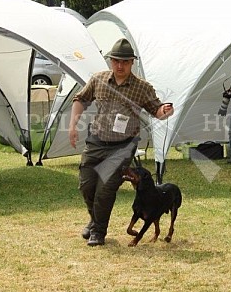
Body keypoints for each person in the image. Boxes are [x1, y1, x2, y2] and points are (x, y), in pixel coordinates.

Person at [69, 38, 174, 246]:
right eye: (116, 61)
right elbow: (80, 99)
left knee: (105, 188)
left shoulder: (142, 88)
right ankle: (95, 219)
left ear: (132, 63)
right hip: (96, 141)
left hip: (123, 146)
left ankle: (98, 231)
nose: (120, 65)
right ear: (110, 61)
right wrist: (73, 125)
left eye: (125, 62)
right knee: (87, 186)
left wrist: (165, 111)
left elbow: (157, 110)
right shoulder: (98, 79)